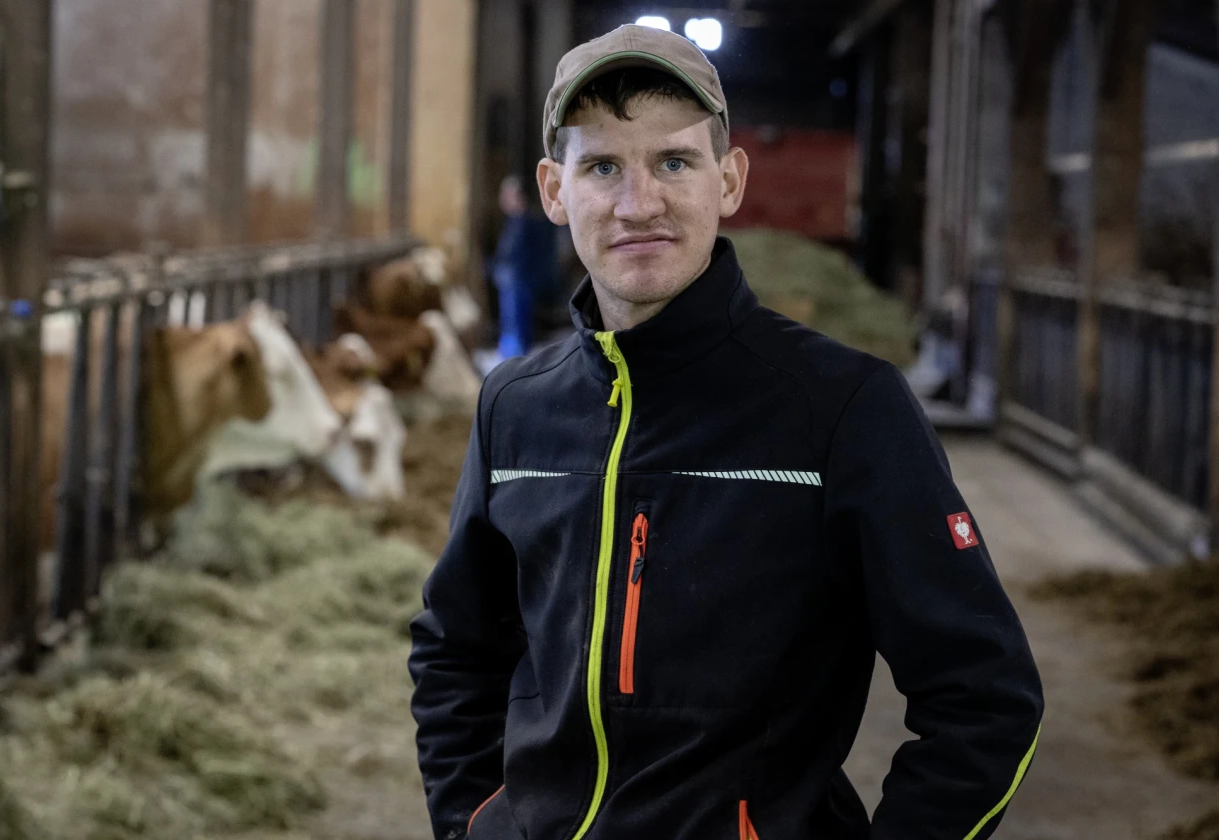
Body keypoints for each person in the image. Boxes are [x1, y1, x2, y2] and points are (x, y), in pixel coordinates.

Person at [409, 23, 1043, 840]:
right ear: (554, 190)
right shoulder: (515, 407)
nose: (640, 204)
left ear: (730, 179)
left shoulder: (844, 408)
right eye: (602, 166)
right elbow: (455, 649)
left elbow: (983, 694)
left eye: (674, 161)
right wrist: (471, 825)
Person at [489, 175, 558, 358]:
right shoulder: (513, 221)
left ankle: (516, 358)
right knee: (510, 322)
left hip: (519, 282)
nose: (502, 200)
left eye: (506, 195)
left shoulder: (526, 222)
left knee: (518, 323)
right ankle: (509, 354)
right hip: (511, 281)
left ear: (517, 196)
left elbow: (518, 255)